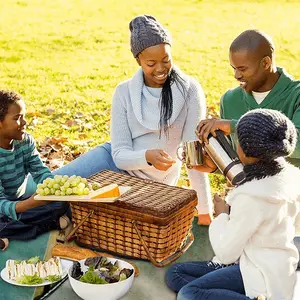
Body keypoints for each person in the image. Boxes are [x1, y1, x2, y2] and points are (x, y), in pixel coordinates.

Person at [38, 15, 213, 224]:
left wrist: (205, 211)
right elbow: (119, 154)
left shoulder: (190, 91)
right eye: (151, 63)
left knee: (78, 211)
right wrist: (147, 156)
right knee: (47, 189)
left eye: (166, 60)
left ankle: (56, 218)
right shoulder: (124, 92)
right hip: (112, 162)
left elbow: (193, 158)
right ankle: (10, 211)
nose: (160, 69)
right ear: (138, 60)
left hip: (150, 186)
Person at [165, 108, 300, 300]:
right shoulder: (292, 177)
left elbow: (226, 252)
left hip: (258, 272)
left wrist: (222, 215)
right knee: (175, 274)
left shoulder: (251, 196)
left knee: (189, 293)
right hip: (276, 265)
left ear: (244, 150)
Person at [195, 29, 300, 261]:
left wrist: (234, 126)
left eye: (242, 69)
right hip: (248, 204)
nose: (236, 75)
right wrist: (214, 165)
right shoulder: (230, 100)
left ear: (266, 62)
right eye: (233, 68)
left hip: (289, 208)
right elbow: (242, 160)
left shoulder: (296, 94)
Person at [0, 90, 70, 249]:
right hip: (5, 206)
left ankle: (10, 231)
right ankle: (46, 224)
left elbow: (40, 171)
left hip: (20, 200)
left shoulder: (25, 141)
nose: (24, 122)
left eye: (23, 116)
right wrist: (30, 204)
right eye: (17, 118)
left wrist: (54, 190)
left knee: (63, 203)